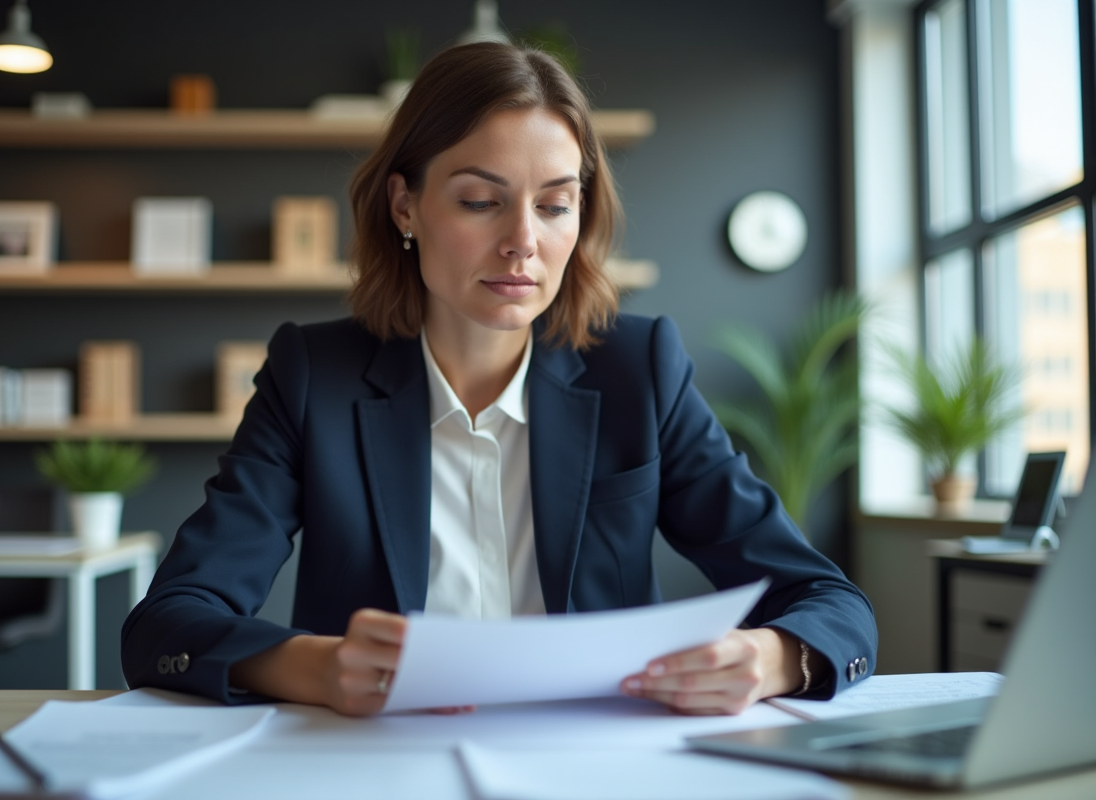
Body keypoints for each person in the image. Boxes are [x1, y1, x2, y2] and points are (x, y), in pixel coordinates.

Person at [121, 42, 877, 718]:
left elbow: (828, 601)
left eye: (554, 205)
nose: (523, 241)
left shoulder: (639, 370)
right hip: (377, 762)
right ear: (405, 205)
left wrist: (770, 658)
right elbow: (167, 623)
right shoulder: (313, 376)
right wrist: (315, 668)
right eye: (480, 201)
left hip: (596, 761)